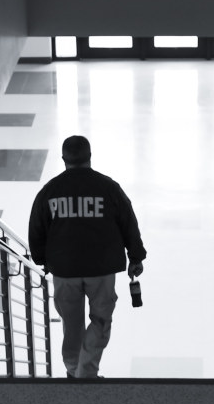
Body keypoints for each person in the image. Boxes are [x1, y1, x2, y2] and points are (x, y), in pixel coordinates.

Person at [28, 135, 146, 379]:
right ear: (90, 157)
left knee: (71, 326)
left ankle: (75, 372)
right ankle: (87, 372)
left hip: (64, 269)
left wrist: (42, 260)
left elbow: (36, 229)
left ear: (64, 160)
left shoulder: (49, 191)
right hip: (101, 269)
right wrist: (135, 256)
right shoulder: (108, 188)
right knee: (100, 321)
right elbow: (128, 222)